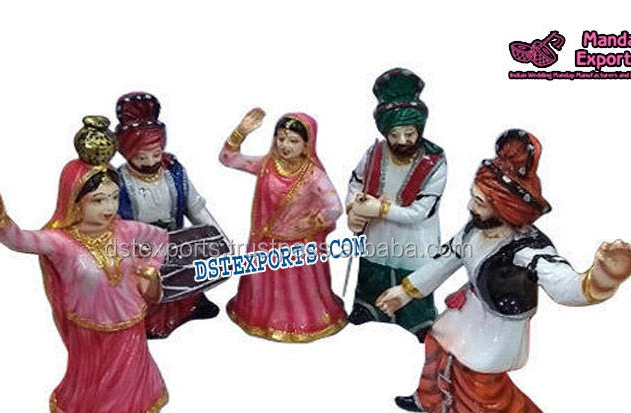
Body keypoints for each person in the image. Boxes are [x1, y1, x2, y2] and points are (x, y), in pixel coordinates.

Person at [375, 129, 631, 413]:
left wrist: (602, 277)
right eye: (473, 196)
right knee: (437, 346)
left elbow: (564, 285)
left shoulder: (527, 249)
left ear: (505, 208)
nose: (471, 206)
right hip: (469, 309)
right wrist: (406, 291)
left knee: (480, 377)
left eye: (480, 201)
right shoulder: (474, 229)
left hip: (497, 325)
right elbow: (446, 259)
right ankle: (431, 400)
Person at [0, 116, 169, 413]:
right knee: (96, 377)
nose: (109, 208)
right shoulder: (61, 242)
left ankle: (134, 406)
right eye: (98, 200)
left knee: (131, 371)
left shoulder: (126, 230)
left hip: (130, 322)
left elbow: (161, 239)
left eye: (113, 197)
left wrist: (150, 269)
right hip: (89, 328)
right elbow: (19, 240)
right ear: (75, 199)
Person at [218, 109, 346, 342]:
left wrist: (313, 221)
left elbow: (335, 207)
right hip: (265, 243)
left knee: (299, 294)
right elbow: (228, 159)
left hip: (298, 248)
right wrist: (240, 132)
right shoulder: (267, 164)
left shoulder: (313, 175)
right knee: (263, 289)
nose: (285, 145)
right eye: (281, 138)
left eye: (294, 141)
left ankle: (300, 322)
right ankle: (261, 317)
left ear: (307, 145)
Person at [346, 68, 448, 342]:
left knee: (412, 277)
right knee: (373, 272)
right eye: (395, 134)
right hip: (377, 235)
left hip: (414, 239)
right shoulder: (375, 152)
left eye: (409, 133)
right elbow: (356, 182)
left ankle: (416, 320)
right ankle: (369, 309)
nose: (402, 141)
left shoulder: (435, 161)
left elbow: (420, 211)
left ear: (419, 130)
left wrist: (380, 210)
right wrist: (353, 210)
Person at [115, 91, 222, 338]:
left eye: (155, 154)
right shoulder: (118, 182)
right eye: (141, 156)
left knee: (185, 272)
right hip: (138, 251)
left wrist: (215, 234)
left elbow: (195, 207)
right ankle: (148, 319)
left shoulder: (174, 172)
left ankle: (189, 305)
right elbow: (114, 222)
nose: (150, 162)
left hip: (176, 245)